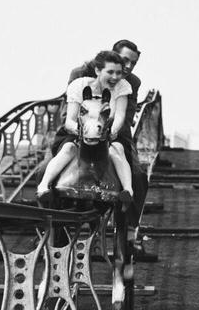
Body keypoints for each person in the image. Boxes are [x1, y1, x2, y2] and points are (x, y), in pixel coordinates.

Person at [37, 49, 134, 207]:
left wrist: (111, 132)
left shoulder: (122, 86)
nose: (115, 77)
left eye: (118, 73)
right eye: (110, 72)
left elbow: (120, 116)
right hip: (79, 132)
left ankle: (127, 191)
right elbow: (70, 119)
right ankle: (44, 187)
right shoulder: (79, 85)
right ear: (97, 70)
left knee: (118, 150)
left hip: (106, 132)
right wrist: (82, 132)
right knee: (68, 149)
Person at [68, 39, 146, 218]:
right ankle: (51, 228)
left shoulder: (131, 83)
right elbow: (68, 113)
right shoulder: (80, 74)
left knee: (138, 176)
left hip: (113, 133)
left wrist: (107, 132)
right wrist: (81, 130)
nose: (128, 67)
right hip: (79, 131)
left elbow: (125, 117)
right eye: (125, 60)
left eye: (133, 63)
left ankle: (129, 232)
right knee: (44, 169)